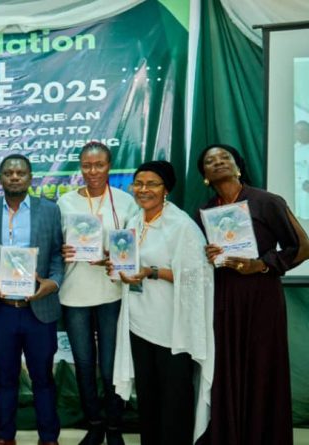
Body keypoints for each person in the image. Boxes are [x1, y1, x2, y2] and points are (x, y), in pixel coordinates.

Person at [195, 144, 307, 445]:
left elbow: (302, 247)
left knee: (261, 366)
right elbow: (201, 260)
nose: (218, 162)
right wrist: (208, 255)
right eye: (210, 161)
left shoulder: (266, 201)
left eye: (225, 158)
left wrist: (261, 264)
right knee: (226, 366)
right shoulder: (205, 212)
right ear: (204, 175)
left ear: (238, 166)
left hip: (261, 295)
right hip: (223, 297)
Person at [109, 161, 214, 445]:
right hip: (138, 323)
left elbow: (198, 276)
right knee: (148, 395)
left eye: (152, 184)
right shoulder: (134, 221)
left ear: (166, 189)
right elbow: (128, 263)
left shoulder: (181, 226)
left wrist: (152, 272)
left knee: (174, 397)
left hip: (171, 328)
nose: (143, 190)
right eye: (138, 184)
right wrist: (117, 268)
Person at [0, 154, 64, 445]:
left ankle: (48, 437)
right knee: (5, 376)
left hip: (39, 308)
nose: (14, 177)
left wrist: (53, 283)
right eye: (8, 173)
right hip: (2, 309)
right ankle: (4, 436)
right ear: (0, 178)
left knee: (43, 377)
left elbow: (58, 255)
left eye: (20, 173)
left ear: (30, 177)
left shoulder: (50, 211)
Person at [57, 142, 137, 445]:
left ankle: (114, 426)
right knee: (84, 363)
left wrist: (114, 258)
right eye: (87, 165)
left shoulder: (125, 202)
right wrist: (61, 250)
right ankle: (94, 424)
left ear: (109, 165)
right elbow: (53, 245)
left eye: (99, 165)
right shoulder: (65, 203)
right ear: (80, 167)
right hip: (74, 294)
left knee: (110, 366)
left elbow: (133, 249)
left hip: (111, 293)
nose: (93, 171)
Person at [294, 121, 309, 220]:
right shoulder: (293, 149)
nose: (301, 133)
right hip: (296, 193)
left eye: (304, 130)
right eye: (297, 131)